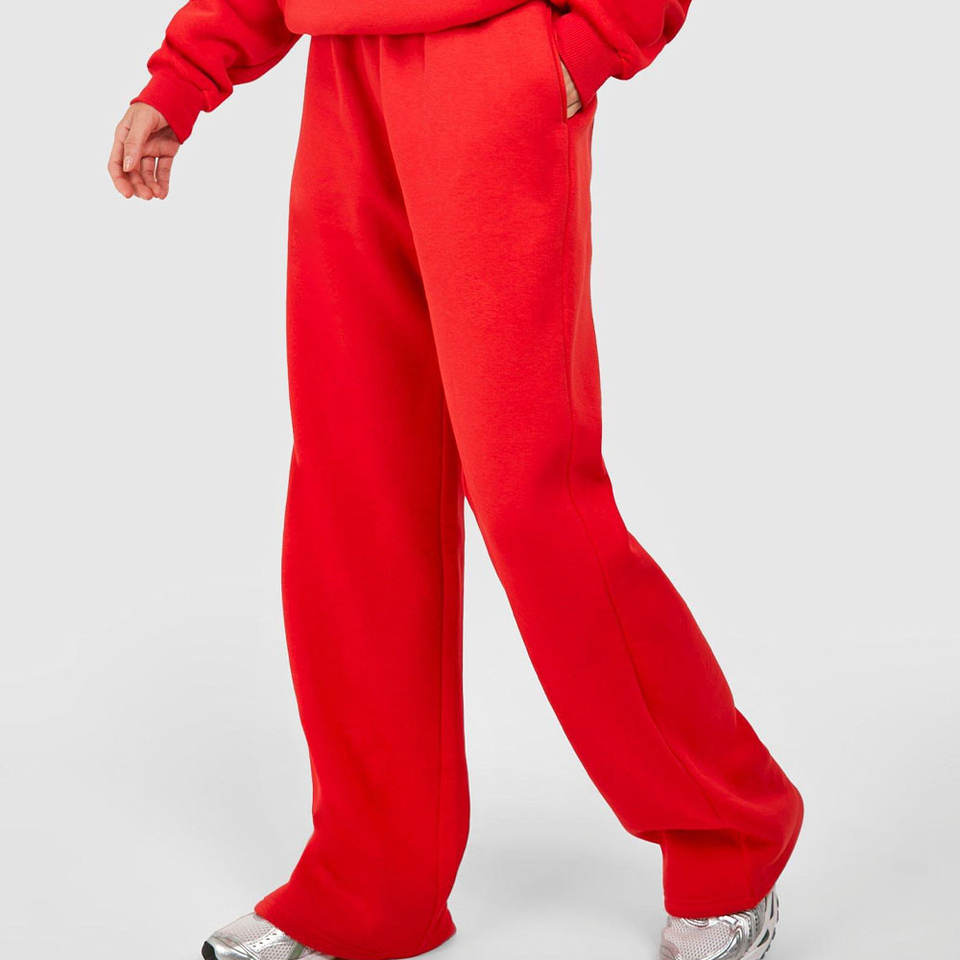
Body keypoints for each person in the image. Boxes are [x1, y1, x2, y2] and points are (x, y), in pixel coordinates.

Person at [108, 1, 803, 958]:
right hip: (345, 76)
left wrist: (588, 45)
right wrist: (188, 72)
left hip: (492, 69)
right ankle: (372, 882)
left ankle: (731, 833)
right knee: (354, 494)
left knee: (533, 502)